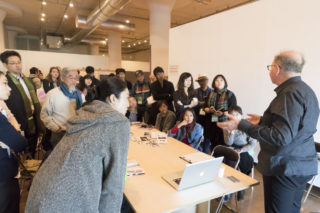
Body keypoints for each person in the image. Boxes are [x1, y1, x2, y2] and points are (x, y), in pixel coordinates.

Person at [217, 50, 319, 213]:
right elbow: (296, 128)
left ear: (277, 68)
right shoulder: (305, 90)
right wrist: (264, 121)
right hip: (301, 165)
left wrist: (241, 124)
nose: (270, 71)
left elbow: (281, 136)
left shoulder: (289, 94)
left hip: (284, 167)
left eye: (270, 67)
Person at [25, 77, 130, 213]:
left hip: (42, 192)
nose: (129, 103)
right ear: (113, 98)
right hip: (68, 202)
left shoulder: (85, 113)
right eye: (126, 97)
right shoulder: (117, 121)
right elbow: (114, 184)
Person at [0, 50, 45, 157]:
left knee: (32, 151)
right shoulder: (6, 83)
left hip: (33, 121)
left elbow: (35, 101)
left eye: (19, 62)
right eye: (13, 63)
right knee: (21, 154)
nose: (18, 65)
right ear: (5, 65)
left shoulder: (28, 81)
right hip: (18, 124)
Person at [0, 70, 27, 213]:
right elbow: (19, 143)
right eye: (5, 83)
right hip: (3, 178)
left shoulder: (3, 108)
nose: (9, 88)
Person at [40, 68, 82, 148]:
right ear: (62, 78)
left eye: (76, 78)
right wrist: (56, 128)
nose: (74, 81)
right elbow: (44, 114)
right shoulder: (53, 94)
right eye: (71, 77)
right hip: (60, 133)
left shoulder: (78, 94)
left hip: (76, 132)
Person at [223, 105, 256, 201]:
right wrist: (231, 132)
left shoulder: (247, 126)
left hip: (245, 148)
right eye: (232, 115)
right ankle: (231, 189)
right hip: (231, 147)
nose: (234, 117)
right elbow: (228, 142)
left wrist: (241, 150)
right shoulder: (226, 125)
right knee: (229, 163)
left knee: (243, 162)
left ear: (241, 116)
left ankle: (239, 185)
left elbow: (253, 144)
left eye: (237, 115)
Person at [204, 74, 237, 152]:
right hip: (212, 123)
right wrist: (209, 110)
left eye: (221, 80)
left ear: (225, 82)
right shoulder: (210, 93)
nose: (219, 82)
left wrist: (223, 113)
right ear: (214, 82)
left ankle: (222, 161)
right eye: (217, 80)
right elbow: (204, 107)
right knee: (213, 144)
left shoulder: (230, 94)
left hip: (224, 124)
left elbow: (234, 110)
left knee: (223, 144)